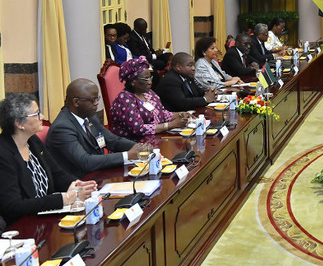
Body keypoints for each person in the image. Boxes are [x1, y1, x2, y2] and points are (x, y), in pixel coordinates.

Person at [0, 94, 96, 225]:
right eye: (36, 114)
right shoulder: (3, 154)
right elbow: (13, 207)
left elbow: (57, 173)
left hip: (47, 219)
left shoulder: (33, 141)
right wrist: (62, 199)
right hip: (23, 226)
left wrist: (77, 185)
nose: (42, 117)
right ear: (19, 123)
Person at [47, 79, 148, 177]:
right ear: (76, 102)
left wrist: (140, 148)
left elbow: (113, 141)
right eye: (93, 100)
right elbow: (85, 162)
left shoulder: (89, 116)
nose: (97, 103)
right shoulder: (62, 128)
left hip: (99, 174)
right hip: (80, 183)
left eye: (97, 98)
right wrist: (128, 155)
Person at [109, 57, 189, 140]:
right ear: (133, 81)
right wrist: (171, 125)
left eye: (150, 78)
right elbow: (138, 129)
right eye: (145, 79)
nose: (150, 82)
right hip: (133, 145)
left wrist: (180, 114)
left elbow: (162, 114)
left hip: (155, 138)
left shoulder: (148, 93)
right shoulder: (125, 99)